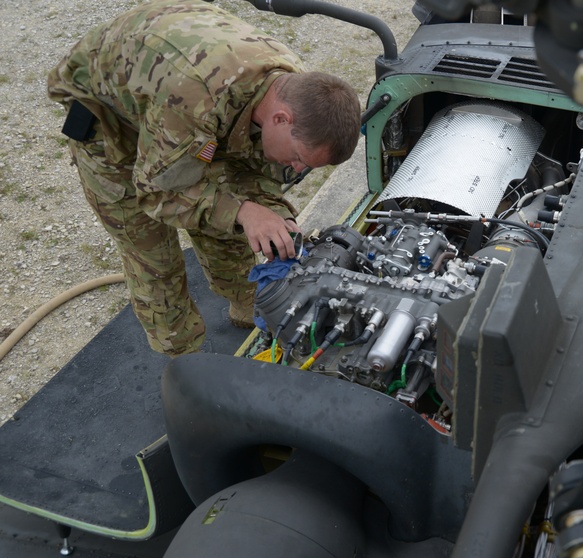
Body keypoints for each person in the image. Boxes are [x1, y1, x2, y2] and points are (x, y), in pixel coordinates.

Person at [47, 0, 361, 356]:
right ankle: (184, 361)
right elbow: (155, 194)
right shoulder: (198, 97)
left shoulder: (293, 90)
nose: (298, 170)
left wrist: (273, 213)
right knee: (154, 256)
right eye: (300, 159)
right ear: (281, 119)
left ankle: (249, 304)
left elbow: (254, 167)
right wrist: (244, 211)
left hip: (178, 105)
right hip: (111, 122)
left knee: (233, 215)